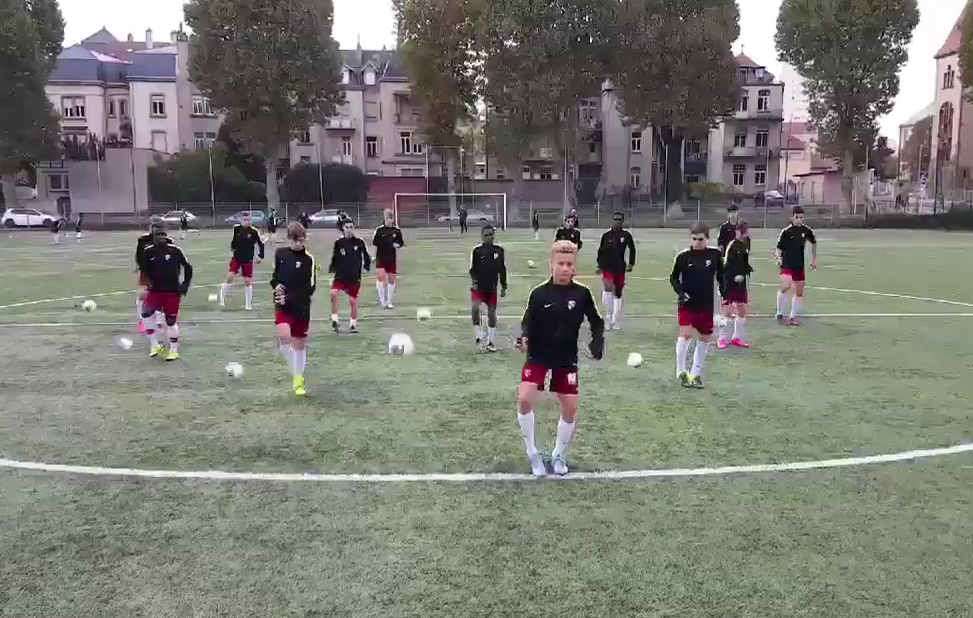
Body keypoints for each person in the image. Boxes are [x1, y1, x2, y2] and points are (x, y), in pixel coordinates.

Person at [516, 240, 604, 477]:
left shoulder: (582, 294)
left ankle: (558, 455)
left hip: (566, 358)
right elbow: (527, 322)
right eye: (560, 264)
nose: (565, 268)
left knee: (570, 407)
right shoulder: (539, 294)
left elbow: (596, 322)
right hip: (538, 355)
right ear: (550, 265)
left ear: (574, 267)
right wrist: (523, 337)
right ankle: (533, 453)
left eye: (569, 264)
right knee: (524, 399)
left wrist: (597, 342)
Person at [669, 222, 724, 389]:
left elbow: (721, 276)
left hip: (707, 304)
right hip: (687, 303)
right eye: (694, 239)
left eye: (700, 239)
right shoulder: (683, 256)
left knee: (705, 338)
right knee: (685, 334)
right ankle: (681, 371)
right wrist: (681, 293)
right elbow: (673, 278)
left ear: (707, 238)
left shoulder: (715, 255)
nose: (697, 242)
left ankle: (696, 373)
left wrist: (724, 294)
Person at [271, 222, 317, 396]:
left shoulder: (309, 259)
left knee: (299, 344)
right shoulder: (280, 254)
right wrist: (276, 287)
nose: (298, 244)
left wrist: (289, 297)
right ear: (289, 238)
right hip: (282, 304)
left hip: (301, 306)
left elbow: (310, 288)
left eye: (301, 240)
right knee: (284, 338)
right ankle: (296, 372)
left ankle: (298, 379)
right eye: (295, 240)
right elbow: (274, 278)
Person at [139, 226, 193, 361]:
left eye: (163, 235)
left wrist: (185, 284)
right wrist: (146, 284)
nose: (161, 238)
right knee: (145, 313)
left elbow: (187, 267)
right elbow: (144, 269)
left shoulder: (175, 251)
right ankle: (154, 344)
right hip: (155, 291)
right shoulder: (148, 252)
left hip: (172, 292)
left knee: (170, 321)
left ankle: (173, 351)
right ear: (154, 237)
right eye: (158, 235)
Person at [776, 206, 817, 326]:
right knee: (786, 286)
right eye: (797, 217)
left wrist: (814, 259)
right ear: (792, 217)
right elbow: (779, 247)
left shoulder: (806, 231)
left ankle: (792, 316)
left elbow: (814, 243)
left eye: (801, 218)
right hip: (786, 264)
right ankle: (779, 312)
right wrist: (778, 257)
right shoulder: (786, 231)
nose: (799, 220)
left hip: (799, 265)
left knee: (799, 292)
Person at [469, 224, 508, 352]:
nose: (489, 237)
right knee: (475, 308)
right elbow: (472, 270)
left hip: (492, 288)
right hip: (478, 288)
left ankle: (490, 341)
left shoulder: (499, 251)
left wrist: (504, 286)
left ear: (494, 235)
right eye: (486, 235)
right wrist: (474, 281)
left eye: (491, 234)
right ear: (482, 237)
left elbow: (502, 269)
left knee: (492, 314)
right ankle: (478, 337)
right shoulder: (476, 252)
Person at [329, 218, 371, 333]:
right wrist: (332, 267)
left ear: (354, 228)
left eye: (351, 227)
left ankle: (353, 324)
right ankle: (335, 320)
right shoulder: (338, 243)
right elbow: (335, 257)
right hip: (341, 275)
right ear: (343, 228)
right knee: (333, 293)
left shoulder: (359, 242)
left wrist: (366, 267)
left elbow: (366, 256)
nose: (349, 230)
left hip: (354, 276)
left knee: (352, 301)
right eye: (347, 227)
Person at [596, 211, 636, 330]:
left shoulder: (626, 235)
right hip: (607, 266)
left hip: (619, 267)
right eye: (615, 220)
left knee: (617, 293)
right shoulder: (606, 236)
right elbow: (601, 251)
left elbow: (632, 249)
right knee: (607, 288)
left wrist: (631, 263)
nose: (617, 222)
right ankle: (607, 317)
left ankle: (615, 319)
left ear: (622, 222)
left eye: (619, 220)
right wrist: (599, 265)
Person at [718, 221, 753, 349]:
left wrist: (744, 274)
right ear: (737, 231)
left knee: (742, 310)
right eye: (742, 231)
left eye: (746, 231)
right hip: (729, 282)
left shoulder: (747, 244)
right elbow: (726, 266)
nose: (744, 234)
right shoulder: (732, 246)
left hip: (741, 282)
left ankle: (736, 337)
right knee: (727, 312)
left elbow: (745, 263)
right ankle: (721, 338)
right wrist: (731, 279)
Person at [220, 213, 265, 310]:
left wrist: (261, 256)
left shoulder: (254, 232)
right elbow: (234, 240)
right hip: (237, 257)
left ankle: (248, 305)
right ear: (241, 220)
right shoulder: (236, 229)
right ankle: (222, 299)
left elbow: (261, 244)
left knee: (247, 281)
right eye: (244, 220)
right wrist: (232, 247)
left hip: (248, 259)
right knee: (230, 277)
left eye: (248, 220)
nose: (246, 221)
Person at [134, 216, 168, 335]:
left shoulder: (168, 241)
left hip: (162, 272)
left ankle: (159, 319)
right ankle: (142, 320)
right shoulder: (143, 240)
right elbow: (138, 256)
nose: (156, 229)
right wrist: (141, 267)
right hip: (146, 271)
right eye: (154, 227)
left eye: (159, 227)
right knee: (142, 295)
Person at [372, 208, 404, 309]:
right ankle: (382, 301)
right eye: (387, 218)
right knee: (381, 277)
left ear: (393, 218)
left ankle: (389, 301)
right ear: (384, 218)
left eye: (390, 218)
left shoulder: (397, 230)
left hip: (391, 258)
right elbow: (374, 244)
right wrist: (373, 256)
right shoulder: (379, 230)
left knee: (392, 279)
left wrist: (397, 245)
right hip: (381, 257)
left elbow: (401, 243)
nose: (389, 220)